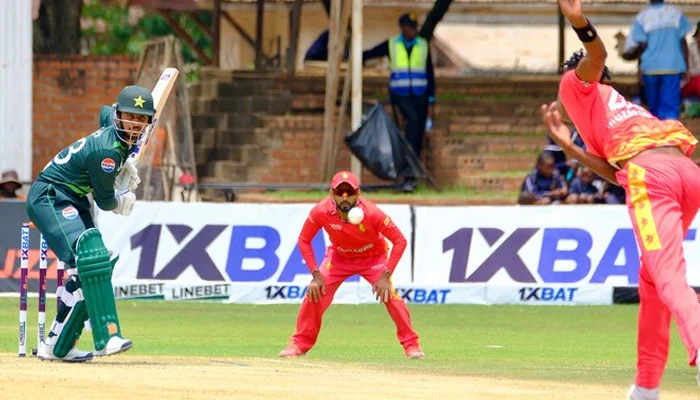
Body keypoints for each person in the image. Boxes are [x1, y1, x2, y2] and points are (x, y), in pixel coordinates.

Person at [542, 0, 700, 397]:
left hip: (654, 178)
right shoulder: (623, 110)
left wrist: (578, 21)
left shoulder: (576, 86)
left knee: (667, 277)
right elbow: (616, 174)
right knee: (651, 279)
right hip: (685, 172)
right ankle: (646, 388)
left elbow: (596, 54)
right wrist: (570, 148)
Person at [27, 85, 152, 362]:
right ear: (120, 116)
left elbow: (104, 112)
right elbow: (107, 202)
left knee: (95, 267)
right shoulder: (107, 153)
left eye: (141, 119)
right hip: (51, 196)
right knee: (91, 257)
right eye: (129, 117)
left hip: (74, 198)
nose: (135, 124)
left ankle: (57, 345)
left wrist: (124, 162)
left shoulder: (114, 130)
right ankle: (106, 337)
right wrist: (122, 199)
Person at [278, 171, 424, 359]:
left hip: (373, 257)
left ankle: (411, 345)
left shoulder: (372, 213)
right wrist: (315, 274)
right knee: (314, 293)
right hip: (339, 257)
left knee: (391, 297)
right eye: (340, 192)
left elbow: (400, 241)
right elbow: (304, 239)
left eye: (349, 192)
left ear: (358, 193)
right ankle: (300, 344)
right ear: (332, 194)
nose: (345, 197)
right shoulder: (321, 211)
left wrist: (385, 276)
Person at [363, 12, 436, 192]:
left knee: (417, 132)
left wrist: (432, 101)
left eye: (414, 27)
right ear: (403, 27)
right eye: (409, 27)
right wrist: (353, 55)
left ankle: (411, 176)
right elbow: (371, 53)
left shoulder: (423, 45)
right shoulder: (393, 44)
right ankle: (407, 172)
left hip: (420, 95)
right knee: (412, 123)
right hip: (400, 94)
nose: (413, 30)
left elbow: (430, 74)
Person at [622, 0, 691, 119]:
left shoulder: (642, 17)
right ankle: (669, 133)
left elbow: (642, 45)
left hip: (650, 67)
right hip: (672, 66)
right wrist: (687, 66)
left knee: (653, 107)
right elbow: (683, 42)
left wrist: (638, 67)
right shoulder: (676, 13)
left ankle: (658, 134)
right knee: (670, 106)